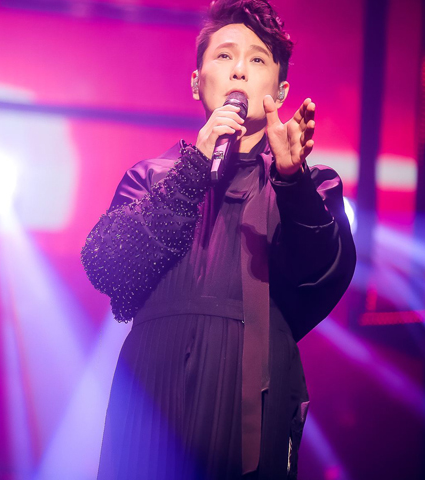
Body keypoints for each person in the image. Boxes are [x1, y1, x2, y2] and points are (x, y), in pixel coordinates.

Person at [81, 0, 356, 478]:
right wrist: (195, 167)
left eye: (257, 59)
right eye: (225, 55)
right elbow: (106, 265)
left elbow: (322, 276)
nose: (239, 71)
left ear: (280, 90)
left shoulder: (309, 184)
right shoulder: (152, 177)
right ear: (196, 80)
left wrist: (292, 182)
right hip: (153, 387)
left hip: (251, 389)